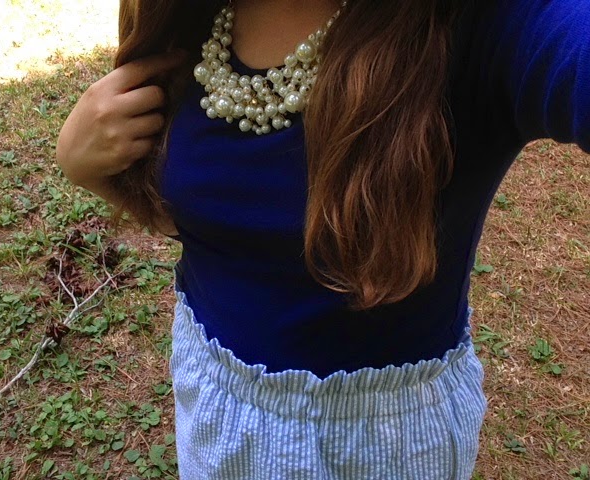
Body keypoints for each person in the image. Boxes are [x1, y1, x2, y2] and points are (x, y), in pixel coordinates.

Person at [56, 0, 590, 478]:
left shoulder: (478, 21)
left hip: (387, 452)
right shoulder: (189, 15)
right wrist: (86, 166)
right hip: (213, 417)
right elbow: (207, 220)